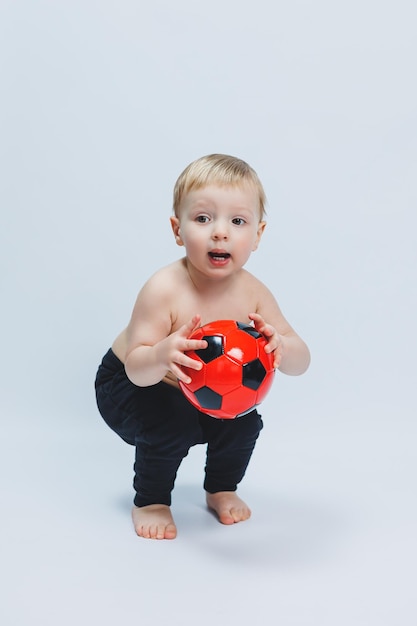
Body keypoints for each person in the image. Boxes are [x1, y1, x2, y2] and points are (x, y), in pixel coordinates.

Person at [95, 153, 310, 540]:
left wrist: (283, 347)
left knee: (245, 423)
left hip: (206, 393)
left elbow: (301, 361)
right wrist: (161, 355)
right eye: (203, 218)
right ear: (178, 230)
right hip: (129, 385)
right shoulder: (165, 289)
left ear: (258, 235)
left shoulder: (254, 293)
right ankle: (151, 500)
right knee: (171, 424)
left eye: (238, 221)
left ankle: (222, 487)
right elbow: (136, 368)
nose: (220, 233)